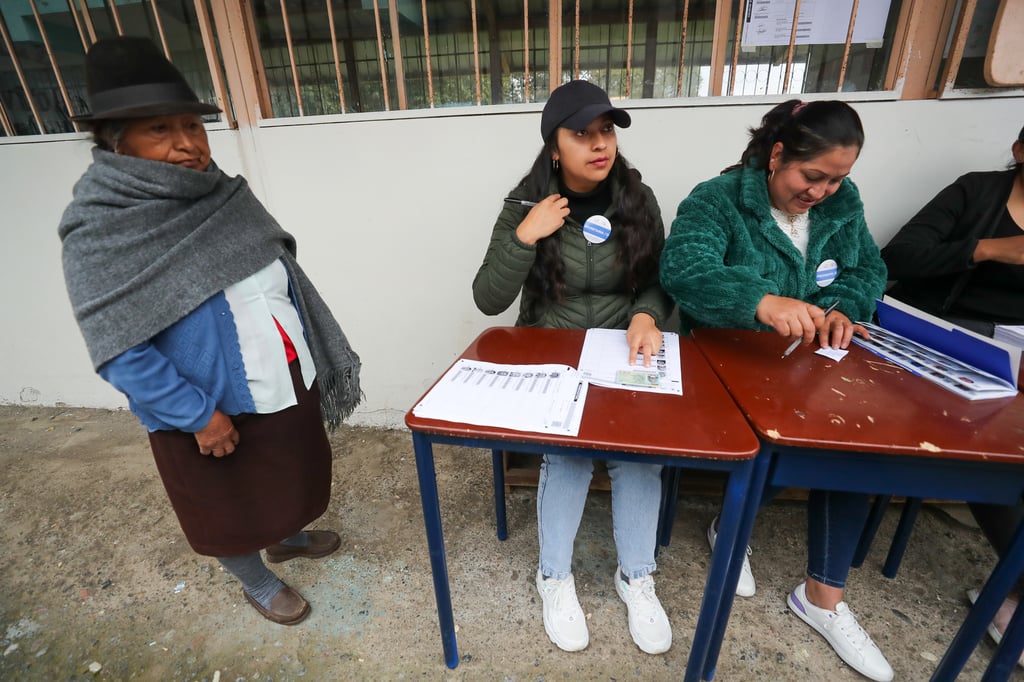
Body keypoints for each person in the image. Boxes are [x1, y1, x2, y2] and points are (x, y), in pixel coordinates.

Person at [58, 37, 361, 626]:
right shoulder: (101, 228)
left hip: (282, 375)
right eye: (159, 130)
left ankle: (286, 534)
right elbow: (118, 348)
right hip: (206, 405)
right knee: (225, 503)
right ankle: (254, 578)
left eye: (192, 126)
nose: (186, 144)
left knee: (290, 469)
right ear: (114, 145)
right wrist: (196, 414)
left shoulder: (220, 194)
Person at [660, 100, 892, 682]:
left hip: (811, 365)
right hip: (728, 361)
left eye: (837, 179)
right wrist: (759, 302)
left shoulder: (845, 203)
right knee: (775, 435)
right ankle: (729, 529)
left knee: (858, 440)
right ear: (777, 155)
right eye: (811, 176)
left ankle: (822, 596)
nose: (822, 191)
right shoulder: (718, 200)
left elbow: (869, 270)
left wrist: (842, 310)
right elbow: (684, 271)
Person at [472, 80, 674, 655]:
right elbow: (488, 299)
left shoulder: (638, 198)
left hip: (625, 353)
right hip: (555, 355)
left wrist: (645, 315)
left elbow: (660, 280)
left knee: (640, 459)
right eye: (581, 134)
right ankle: (553, 577)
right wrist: (524, 236)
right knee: (568, 457)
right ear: (554, 147)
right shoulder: (523, 206)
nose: (598, 144)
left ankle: (636, 576)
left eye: (606, 130)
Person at [882, 125, 1024, 665]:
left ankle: (1011, 590)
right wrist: (990, 250)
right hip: (955, 340)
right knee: (991, 447)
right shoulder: (977, 193)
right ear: (1018, 151)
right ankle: (1017, 587)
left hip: (1019, 352)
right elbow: (898, 259)